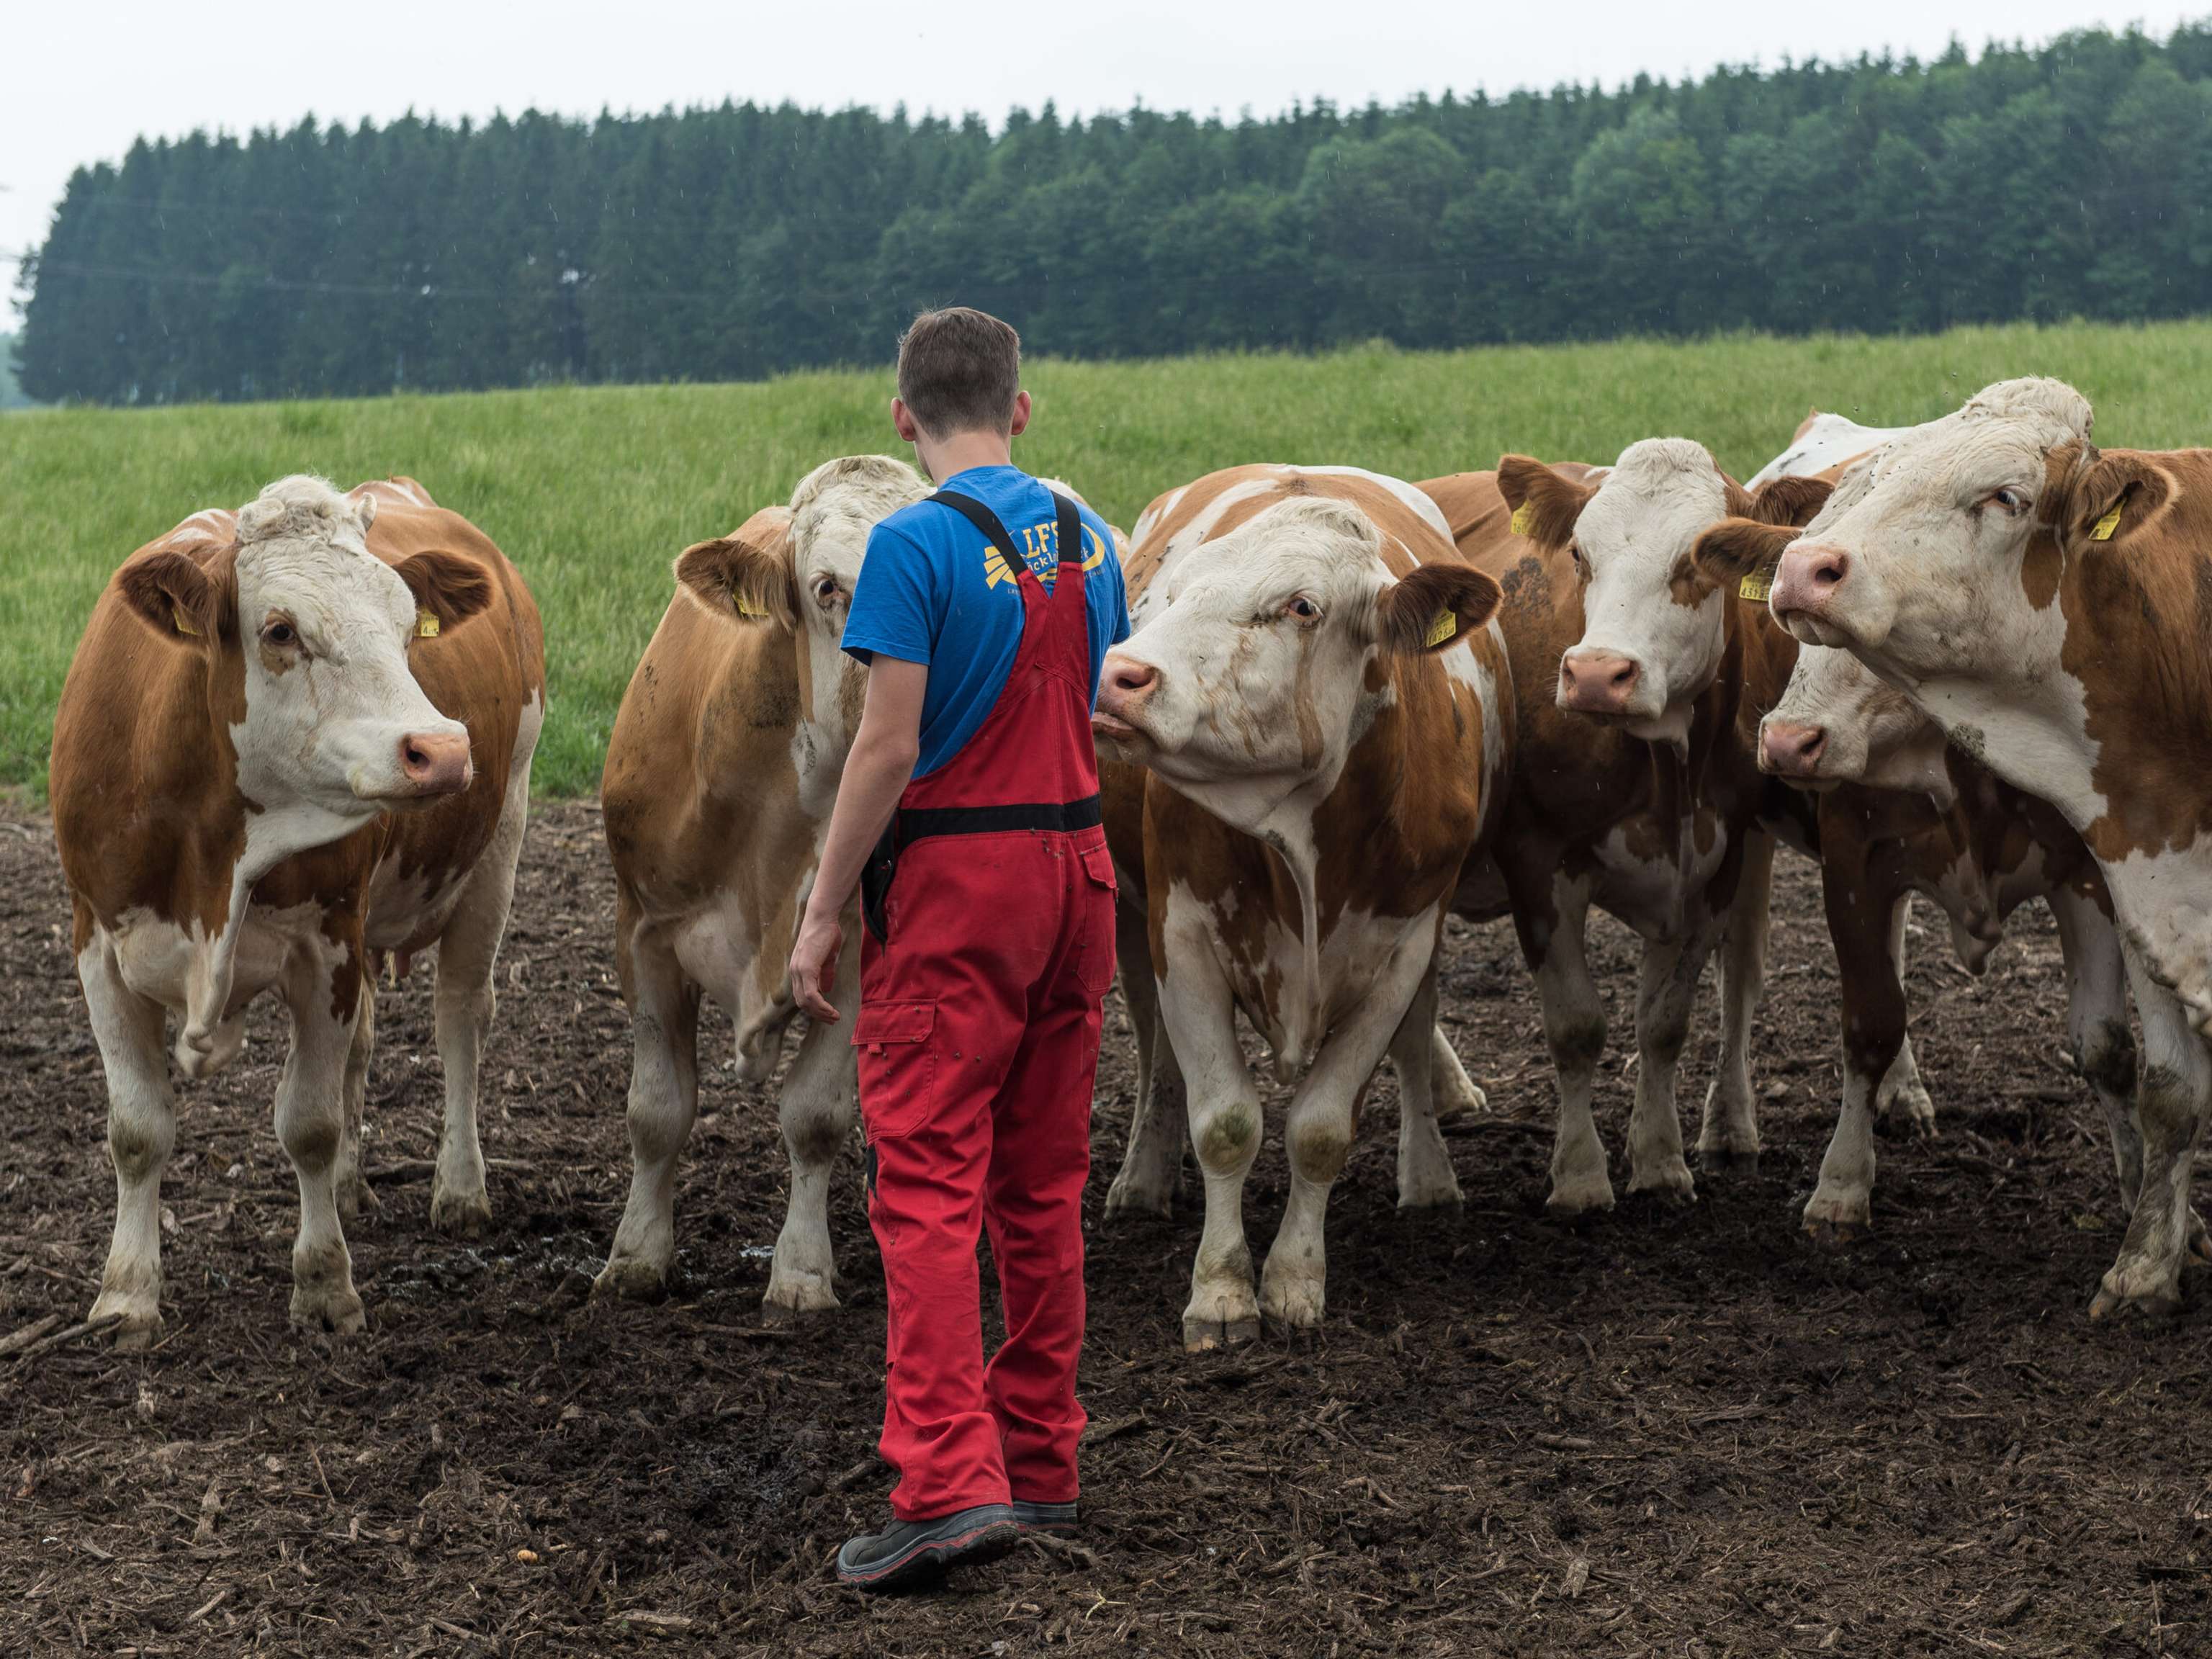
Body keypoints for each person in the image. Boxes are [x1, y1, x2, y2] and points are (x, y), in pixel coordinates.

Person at [786, 307, 1131, 1593]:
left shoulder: (911, 544)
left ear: (903, 417)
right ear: (1019, 408)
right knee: (1042, 1181)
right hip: (1079, 871)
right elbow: (1102, 696)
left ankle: (944, 1485)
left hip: (961, 884)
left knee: (927, 1181)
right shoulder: (1091, 539)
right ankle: (1040, 1459)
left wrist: (824, 907)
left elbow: (887, 745)